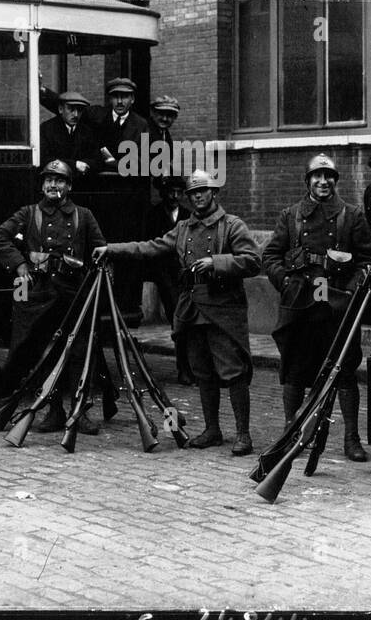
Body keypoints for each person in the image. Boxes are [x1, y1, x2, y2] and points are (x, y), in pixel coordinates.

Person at [95, 169, 261, 454]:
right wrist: (111, 249)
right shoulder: (183, 228)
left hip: (222, 310)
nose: (197, 197)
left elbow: (253, 260)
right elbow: (149, 247)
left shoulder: (232, 225)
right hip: (192, 309)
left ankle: (243, 434)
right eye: (193, 193)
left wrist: (217, 262)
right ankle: (212, 430)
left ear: (214, 193)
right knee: (202, 372)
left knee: (233, 372)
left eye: (203, 191)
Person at [262, 154, 371, 462]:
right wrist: (284, 281)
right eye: (317, 176)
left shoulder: (351, 215)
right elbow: (271, 255)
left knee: (345, 371)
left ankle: (351, 439)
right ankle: (291, 431)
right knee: (295, 371)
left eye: (328, 176)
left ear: (336, 181)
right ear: (308, 181)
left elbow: (367, 261)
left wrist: (352, 292)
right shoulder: (291, 215)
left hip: (337, 309)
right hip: (300, 305)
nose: (323, 181)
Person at [0, 160, 107, 434]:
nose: (54, 185)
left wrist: (103, 276)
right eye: (49, 180)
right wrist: (19, 265)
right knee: (44, 354)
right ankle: (54, 411)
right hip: (40, 295)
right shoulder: (28, 214)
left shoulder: (84, 215)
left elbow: (101, 250)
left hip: (75, 294)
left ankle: (80, 413)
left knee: (79, 353)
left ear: (69, 186)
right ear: (42, 185)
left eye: (60, 180)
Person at [142, 173, 192, 384]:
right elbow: (149, 245)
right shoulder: (153, 215)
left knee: (189, 320)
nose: (174, 196)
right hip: (165, 275)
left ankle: (192, 366)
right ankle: (184, 369)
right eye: (170, 192)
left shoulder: (188, 215)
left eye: (178, 192)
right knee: (178, 319)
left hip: (185, 274)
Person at [40, 90, 103, 181]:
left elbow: (98, 161)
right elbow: (45, 160)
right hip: (55, 182)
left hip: (81, 184)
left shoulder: (87, 131)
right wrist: (75, 165)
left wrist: (85, 165)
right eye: (71, 109)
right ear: (60, 109)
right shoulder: (47, 129)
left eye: (79, 110)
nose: (76, 114)